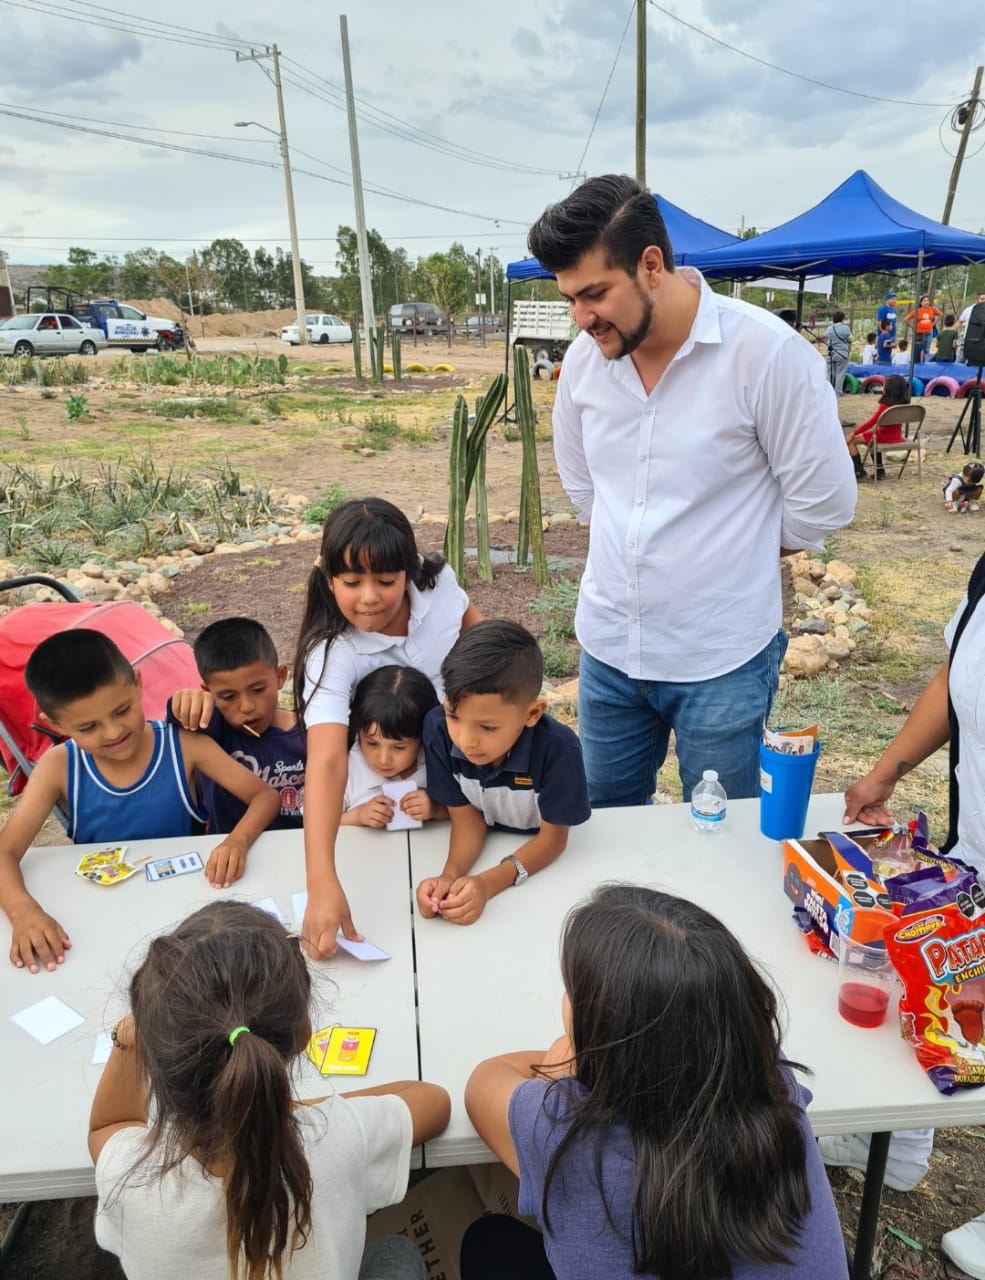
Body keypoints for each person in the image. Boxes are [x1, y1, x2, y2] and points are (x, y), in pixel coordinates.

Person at [526, 175, 856, 808]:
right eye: (570, 297)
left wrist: (736, 546)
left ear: (652, 264)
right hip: (609, 652)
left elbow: (824, 502)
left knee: (724, 840)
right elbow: (584, 488)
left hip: (722, 657)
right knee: (606, 831)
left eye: (594, 293)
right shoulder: (586, 365)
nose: (581, 317)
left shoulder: (766, 357)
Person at [461, 885, 848, 1280]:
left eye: (572, 993)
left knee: (488, 1243)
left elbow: (482, 1084)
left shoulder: (566, 1135)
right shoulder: (768, 1075)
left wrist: (565, 1056)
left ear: (605, 1035)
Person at [90, 900, 450, 1280]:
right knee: (397, 1254)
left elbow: (107, 1126)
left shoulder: (129, 1177)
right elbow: (433, 1100)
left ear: (160, 1052)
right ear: (304, 1034)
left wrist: (127, 1040)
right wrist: (284, 1107)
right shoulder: (336, 1135)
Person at [822, 549, 985, 1274]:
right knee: (936, 991)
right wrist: (885, 769)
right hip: (975, 851)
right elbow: (958, 680)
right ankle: (899, 1139)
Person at [0, 630, 279, 974]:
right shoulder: (59, 767)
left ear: (137, 683)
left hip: (194, 916)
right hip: (103, 926)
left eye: (122, 710)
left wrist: (237, 841)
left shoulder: (184, 746)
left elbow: (264, 796)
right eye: (88, 727)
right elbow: (5, 851)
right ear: (55, 724)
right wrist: (23, 911)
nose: (113, 732)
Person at [293, 498, 481, 958]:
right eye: (352, 582)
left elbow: (483, 652)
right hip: (381, 831)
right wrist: (322, 883)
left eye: (386, 580)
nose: (370, 597)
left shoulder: (438, 589)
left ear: (410, 571)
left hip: (466, 797)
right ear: (328, 579)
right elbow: (327, 759)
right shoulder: (333, 654)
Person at [416, 620, 590, 926]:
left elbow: (553, 840)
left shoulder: (558, 749)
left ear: (533, 713)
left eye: (487, 727)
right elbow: (466, 818)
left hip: (548, 882)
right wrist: (450, 877)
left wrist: (488, 883)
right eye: (453, 716)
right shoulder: (437, 730)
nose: (466, 740)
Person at [168, 617, 305, 832]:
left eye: (258, 689)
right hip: (231, 855)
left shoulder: (309, 732)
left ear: (280, 677)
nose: (247, 706)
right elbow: (179, 718)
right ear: (208, 693)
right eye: (229, 697)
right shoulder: (213, 729)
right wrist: (184, 702)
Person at [341, 665, 444, 828]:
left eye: (399, 747)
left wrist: (436, 808)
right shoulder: (344, 769)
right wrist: (358, 816)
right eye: (372, 743)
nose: (383, 759)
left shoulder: (438, 761)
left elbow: (470, 813)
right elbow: (316, 822)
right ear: (357, 731)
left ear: (422, 738)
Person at [843, 373, 910, 481]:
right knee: (869, 438)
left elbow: (870, 423)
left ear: (889, 389)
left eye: (884, 385)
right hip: (897, 436)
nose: (882, 387)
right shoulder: (902, 405)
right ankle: (879, 471)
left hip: (884, 436)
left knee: (852, 441)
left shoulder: (885, 406)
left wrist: (853, 433)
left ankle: (859, 472)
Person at [903, 294, 941, 362]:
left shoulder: (932, 309)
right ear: (921, 302)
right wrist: (913, 327)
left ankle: (924, 363)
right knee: (918, 348)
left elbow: (941, 314)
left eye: (927, 301)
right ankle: (916, 362)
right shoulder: (917, 311)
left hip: (929, 332)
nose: (927, 302)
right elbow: (906, 319)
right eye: (924, 301)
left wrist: (933, 324)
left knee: (926, 349)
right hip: (919, 334)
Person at [825, 309, 852, 393]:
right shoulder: (845, 328)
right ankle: (838, 392)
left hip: (830, 353)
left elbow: (827, 339)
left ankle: (828, 391)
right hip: (842, 353)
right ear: (842, 318)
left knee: (829, 373)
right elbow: (850, 339)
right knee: (840, 373)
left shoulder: (828, 328)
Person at [958, 291, 985, 362]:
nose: (984, 301)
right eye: (982, 299)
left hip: (981, 343)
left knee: (975, 363)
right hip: (967, 340)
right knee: (961, 360)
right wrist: (950, 330)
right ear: (976, 300)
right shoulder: (968, 310)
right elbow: (959, 322)